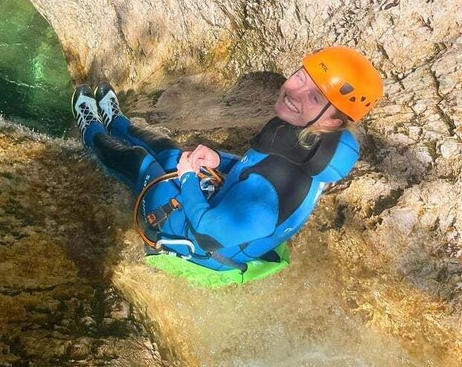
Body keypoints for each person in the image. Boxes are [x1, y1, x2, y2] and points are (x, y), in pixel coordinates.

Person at [71, 47, 384, 272]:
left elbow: (210, 231)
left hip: (198, 241)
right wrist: (219, 160)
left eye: (315, 97)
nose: (292, 90)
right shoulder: (309, 141)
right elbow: (255, 167)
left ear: (332, 121)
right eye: (300, 77)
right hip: (221, 206)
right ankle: (118, 123)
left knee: (143, 163)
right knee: (169, 149)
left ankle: (92, 131)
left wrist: (188, 179)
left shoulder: (273, 192)